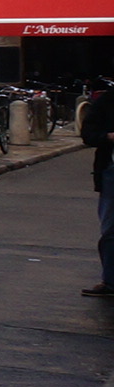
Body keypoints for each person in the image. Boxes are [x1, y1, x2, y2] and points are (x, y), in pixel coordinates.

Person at [82, 80, 114, 298]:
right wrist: (109, 136)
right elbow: (89, 133)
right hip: (112, 171)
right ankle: (110, 280)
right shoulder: (108, 100)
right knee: (110, 228)